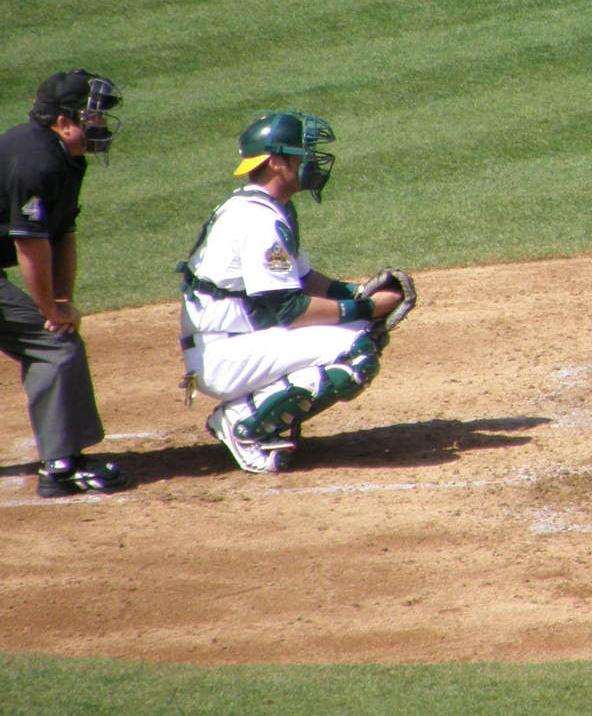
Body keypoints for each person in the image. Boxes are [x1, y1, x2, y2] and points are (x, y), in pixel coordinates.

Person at [176, 110, 414, 474]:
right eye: (302, 154)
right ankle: (242, 422)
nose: (311, 162)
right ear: (276, 162)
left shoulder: (269, 208)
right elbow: (290, 309)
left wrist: (358, 291)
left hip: (238, 342)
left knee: (362, 331)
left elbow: (302, 280)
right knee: (357, 350)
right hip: (225, 354)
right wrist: (367, 308)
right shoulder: (257, 220)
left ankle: (262, 408)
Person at [1, 69, 132, 498]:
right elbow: (30, 247)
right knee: (55, 345)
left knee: (56, 335)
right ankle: (60, 467)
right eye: (94, 116)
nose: (103, 125)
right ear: (64, 121)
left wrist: (62, 299)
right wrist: (51, 313)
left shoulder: (66, 158)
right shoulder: (36, 161)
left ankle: (63, 457)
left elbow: (62, 235)